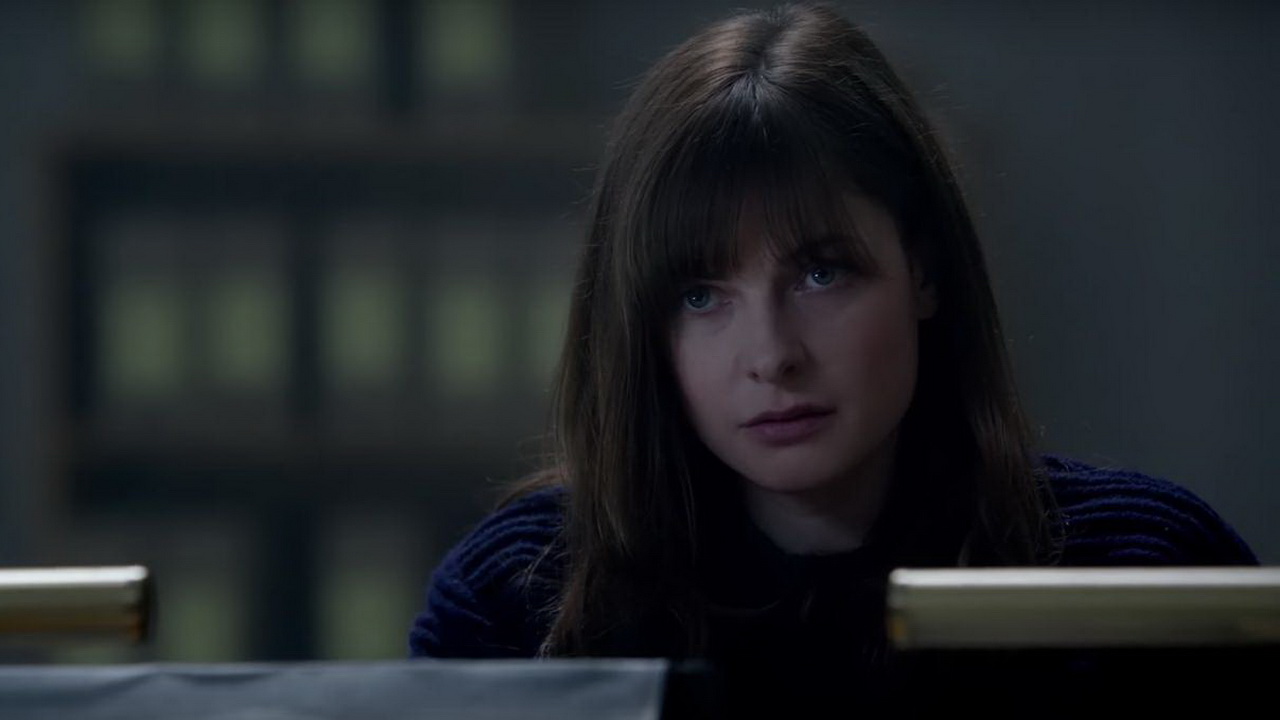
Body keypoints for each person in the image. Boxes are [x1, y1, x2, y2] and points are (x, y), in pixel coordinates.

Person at [408, 2, 1257, 713]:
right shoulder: (521, 601)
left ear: (923, 271)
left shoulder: (1137, 575)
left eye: (821, 273)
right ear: (641, 327)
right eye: (701, 296)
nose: (772, 356)